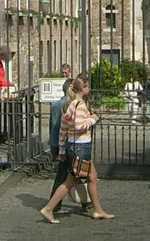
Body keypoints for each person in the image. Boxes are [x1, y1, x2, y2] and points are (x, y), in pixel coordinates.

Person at [39, 78, 114, 223]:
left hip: (75, 147)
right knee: (69, 182)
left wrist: (61, 150)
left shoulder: (69, 105)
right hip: (80, 147)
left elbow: (63, 130)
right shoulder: (79, 105)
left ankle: (98, 210)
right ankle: (48, 209)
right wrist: (93, 119)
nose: (89, 90)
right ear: (83, 88)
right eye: (88, 87)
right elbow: (79, 126)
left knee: (92, 176)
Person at [47, 66, 90, 216]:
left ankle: (57, 204)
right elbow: (59, 127)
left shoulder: (61, 105)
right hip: (72, 144)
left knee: (73, 175)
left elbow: (54, 128)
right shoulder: (69, 105)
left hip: (63, 144)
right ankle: (83, 203)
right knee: (77, 175)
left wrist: (54, 147)